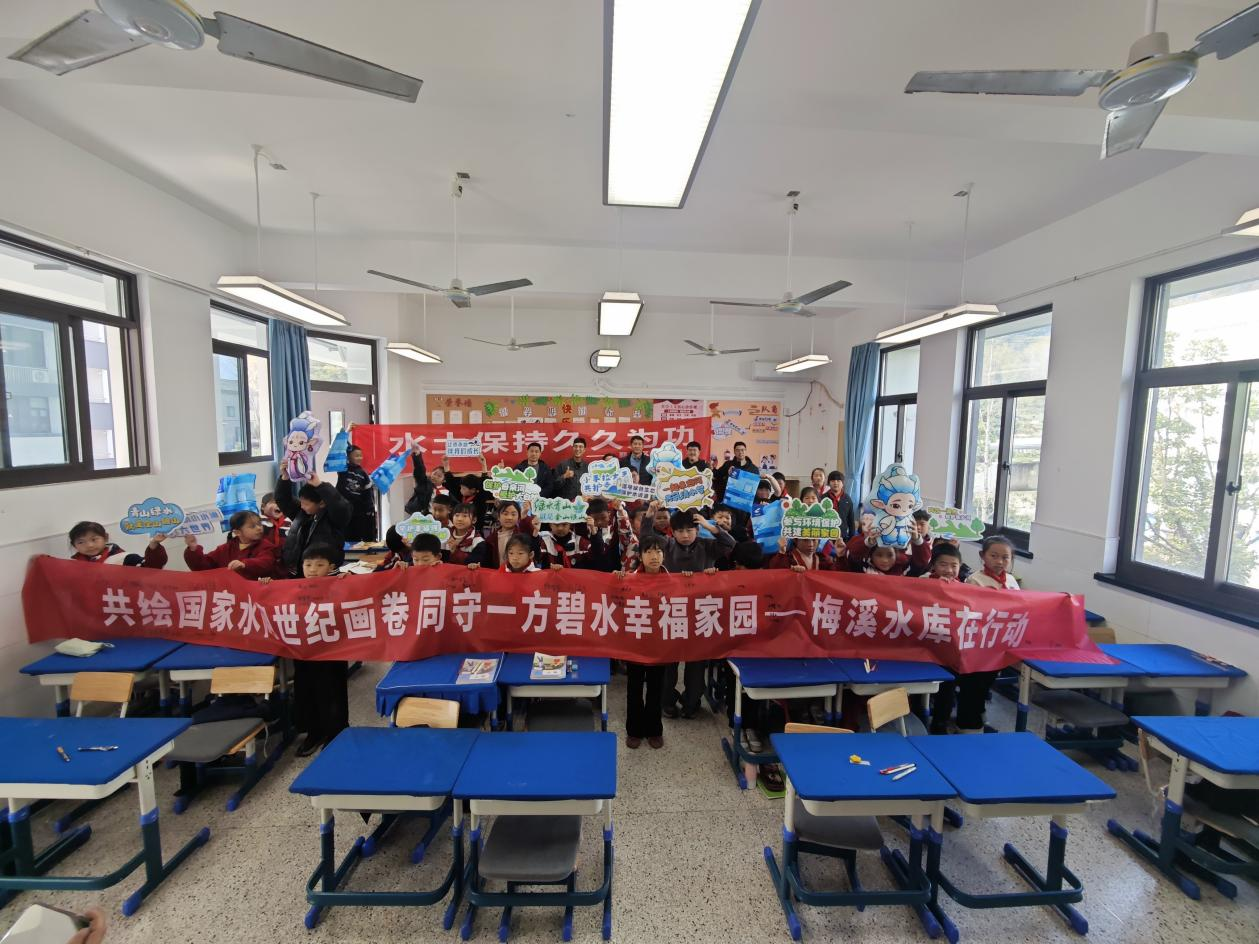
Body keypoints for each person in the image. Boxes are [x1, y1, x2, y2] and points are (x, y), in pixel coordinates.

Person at [644, 503, 734, 719]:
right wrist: (649, 516)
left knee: (696, 662)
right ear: (672, 532)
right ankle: (667, 701)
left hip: (700, 612)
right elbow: (646, 539)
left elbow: (730, 544)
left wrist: (710, 526)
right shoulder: (667, 545)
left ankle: (691, 702)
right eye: (680, 531)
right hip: (672, 610)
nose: (685, 535)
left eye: (690, 530)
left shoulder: (707, 545)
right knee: (668, 662)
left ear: (697, 530)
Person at [933, 536, 1019, 735]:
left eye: (1005, 557)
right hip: (977, 644)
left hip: (998, 644)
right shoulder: (975, 580)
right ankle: (967, 726)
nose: (999, 561)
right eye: (994, 556)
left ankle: (976, 722)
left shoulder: (1012, 581)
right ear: (982, 556)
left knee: (985, 685)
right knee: (972, 685)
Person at [292, 545, 349, 756]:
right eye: (308, 565)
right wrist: (266, 584)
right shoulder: (292, 587)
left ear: (331, 567)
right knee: (305, 690)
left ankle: (336, 733)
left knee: (332, 691)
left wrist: (349, 580)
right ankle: (313, 732)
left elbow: (361, 591)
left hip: (332, 650)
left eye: (319, 565)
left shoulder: (340, 584)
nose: (313, 569)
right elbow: (271, 599)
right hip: (304, 651)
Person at [621, 534, 666, 749]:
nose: (654, 556)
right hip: (635, 643)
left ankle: (654, 730)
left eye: (658, 551)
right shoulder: (629, 579)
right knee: (635, 688)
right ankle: (634, 730)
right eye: (648, 552)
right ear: (640, 556)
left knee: (656, 688)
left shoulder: (674, 580)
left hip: (660, 645)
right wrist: (616, 579)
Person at [274, 470, 352, 577]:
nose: (302, 506)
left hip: (324, 571)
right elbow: (282, 500)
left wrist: (320, 485)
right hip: (300, 569)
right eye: (301, 502)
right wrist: (285, 478)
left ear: (322, 503)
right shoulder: (301, 513)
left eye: (306, 504)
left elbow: (340, 506)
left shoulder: (333, 518)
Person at [183, 510, 280, 579]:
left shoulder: (266, 546)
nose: (259, 528)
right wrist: (193, 549)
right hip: (231, 594)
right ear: (237, 532)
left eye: (259, 524)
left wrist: (244, 564)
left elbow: (265, 563)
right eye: (252, 526)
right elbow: (203, 567)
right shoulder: (226, 548)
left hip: (255, 593)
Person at [844, 520, 930, 576]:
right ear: (871, 555)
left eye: (890, 555)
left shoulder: (904, 571)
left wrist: (917, 540)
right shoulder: (863, 568)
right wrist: (868, 542)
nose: (885, 560)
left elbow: (921, 563)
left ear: (896, 554)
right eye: (879, 555)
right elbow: (852, 556)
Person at [68, 521, 167, 568]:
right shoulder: (73, 566)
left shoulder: (125, 559)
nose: (89, 545)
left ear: (105, 537)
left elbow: (152, 567)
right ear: (74, 545)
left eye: (94, 539)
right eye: (81, 542)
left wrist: (154, 545)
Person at [577, 497, 637, 573]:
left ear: (609, 514)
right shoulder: (582, 528)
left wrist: (620, 510)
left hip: (613, 569)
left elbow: (627, 536)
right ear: (588, 517)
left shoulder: (615, 522)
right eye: (595, 519)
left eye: (603, 518)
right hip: (591, 570)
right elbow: (598, 551)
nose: (599, 522)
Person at [335, 444, 378, 542]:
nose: (360, 458)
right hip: (344, 510)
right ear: (348, 457)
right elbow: (339, 455)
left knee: (357, 536)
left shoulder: (363, 473)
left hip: (358, 511)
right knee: (345, 536)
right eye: (356, 455)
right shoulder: (343, 469)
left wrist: (370, 508)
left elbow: (368, 493)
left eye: (361, 455)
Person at [481, 501, 540, 570]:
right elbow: (487, 563)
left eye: (513, 514)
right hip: (500, 574)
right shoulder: (491, 539)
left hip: (521, 574)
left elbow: (536, 553)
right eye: (505, 514)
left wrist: (525, 518)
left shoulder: (522, 535)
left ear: (518, 517)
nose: (509, 517)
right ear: (498, 516)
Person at [553, 436, 590, 501]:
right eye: (575, 446)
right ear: (573, 448)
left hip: (583, 503)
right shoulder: (563, 465)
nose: (577, 449)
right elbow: (554, 485)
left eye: (580, 447)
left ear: (584, 450)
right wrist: (564, 476)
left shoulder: (588, 467)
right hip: (566, 503)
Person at [823, 471, 858, 541]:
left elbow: (851, 520)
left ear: (842, 483)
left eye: (838, 480)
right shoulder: (823, 498)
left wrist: (852, 538)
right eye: (833, 480)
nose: (835, 483)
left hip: (843, 536)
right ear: (829, 483)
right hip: (826, 537)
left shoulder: (847, 499)